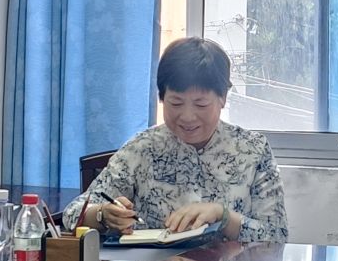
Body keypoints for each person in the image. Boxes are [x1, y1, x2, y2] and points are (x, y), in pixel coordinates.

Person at [63, 36, 288, 244]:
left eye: (200, 104)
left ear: (222, 98)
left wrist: (223, 216)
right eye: (176, 103)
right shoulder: (142, 148)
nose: (188, 116)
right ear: (162, 98)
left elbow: (277, 235)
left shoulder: (252, 150)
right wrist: (102, 215)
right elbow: (72, 214)